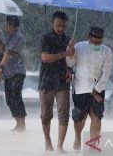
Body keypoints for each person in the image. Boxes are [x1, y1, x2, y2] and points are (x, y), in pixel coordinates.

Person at [66, 26, 113, 151]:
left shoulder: (107, 52)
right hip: (81, 88)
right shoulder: (79, 47)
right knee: (79, 118)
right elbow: (70, 64)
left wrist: (96, 90)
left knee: (97, 118)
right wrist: (69, 50)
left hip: (98, 89)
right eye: (94, 41)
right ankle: (77, 136)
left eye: (99, 42)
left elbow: (106, 73)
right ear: (89, 37)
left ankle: (92, 147)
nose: (97, 44)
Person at [38, 11, 74, 153]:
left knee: (64, 114)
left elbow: (71, 62)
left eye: (63, 26)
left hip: (62, 82)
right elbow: (45, 58)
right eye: (58, 25)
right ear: (52, 24)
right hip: (46, 81)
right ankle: (47, 140)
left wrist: (70, 71)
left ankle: (60, 146)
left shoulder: (69, 40)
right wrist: (65, 53)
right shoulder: (45, 38)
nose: (61, 29)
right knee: (46, 115)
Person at [0, 15, 27, 132]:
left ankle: (22, 123)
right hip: (8, 72)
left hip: (17, 71)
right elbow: (3, 50)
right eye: (7, 25)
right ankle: (18, 122)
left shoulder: (18, 37)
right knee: (9, 98)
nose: (7, 27)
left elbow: (8, 53)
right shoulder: (9, 37)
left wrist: (0, 67)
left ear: (15, 26)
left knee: (16, 95)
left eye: (9, 25)